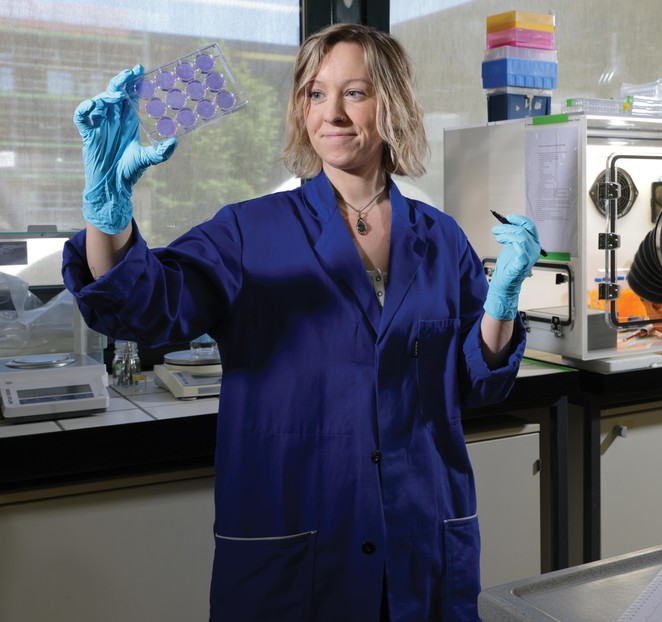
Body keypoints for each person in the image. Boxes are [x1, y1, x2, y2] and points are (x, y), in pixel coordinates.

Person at [63, 23, 541, 621]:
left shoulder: (441, 238)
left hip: (420, 545)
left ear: (391, 103)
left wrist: (500, 302)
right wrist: (107, 214)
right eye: (316, 94)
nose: (332, 113)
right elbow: (141, 306)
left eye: (356, 93)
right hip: (295, 546)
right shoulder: (248, 230)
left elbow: (477, 382)